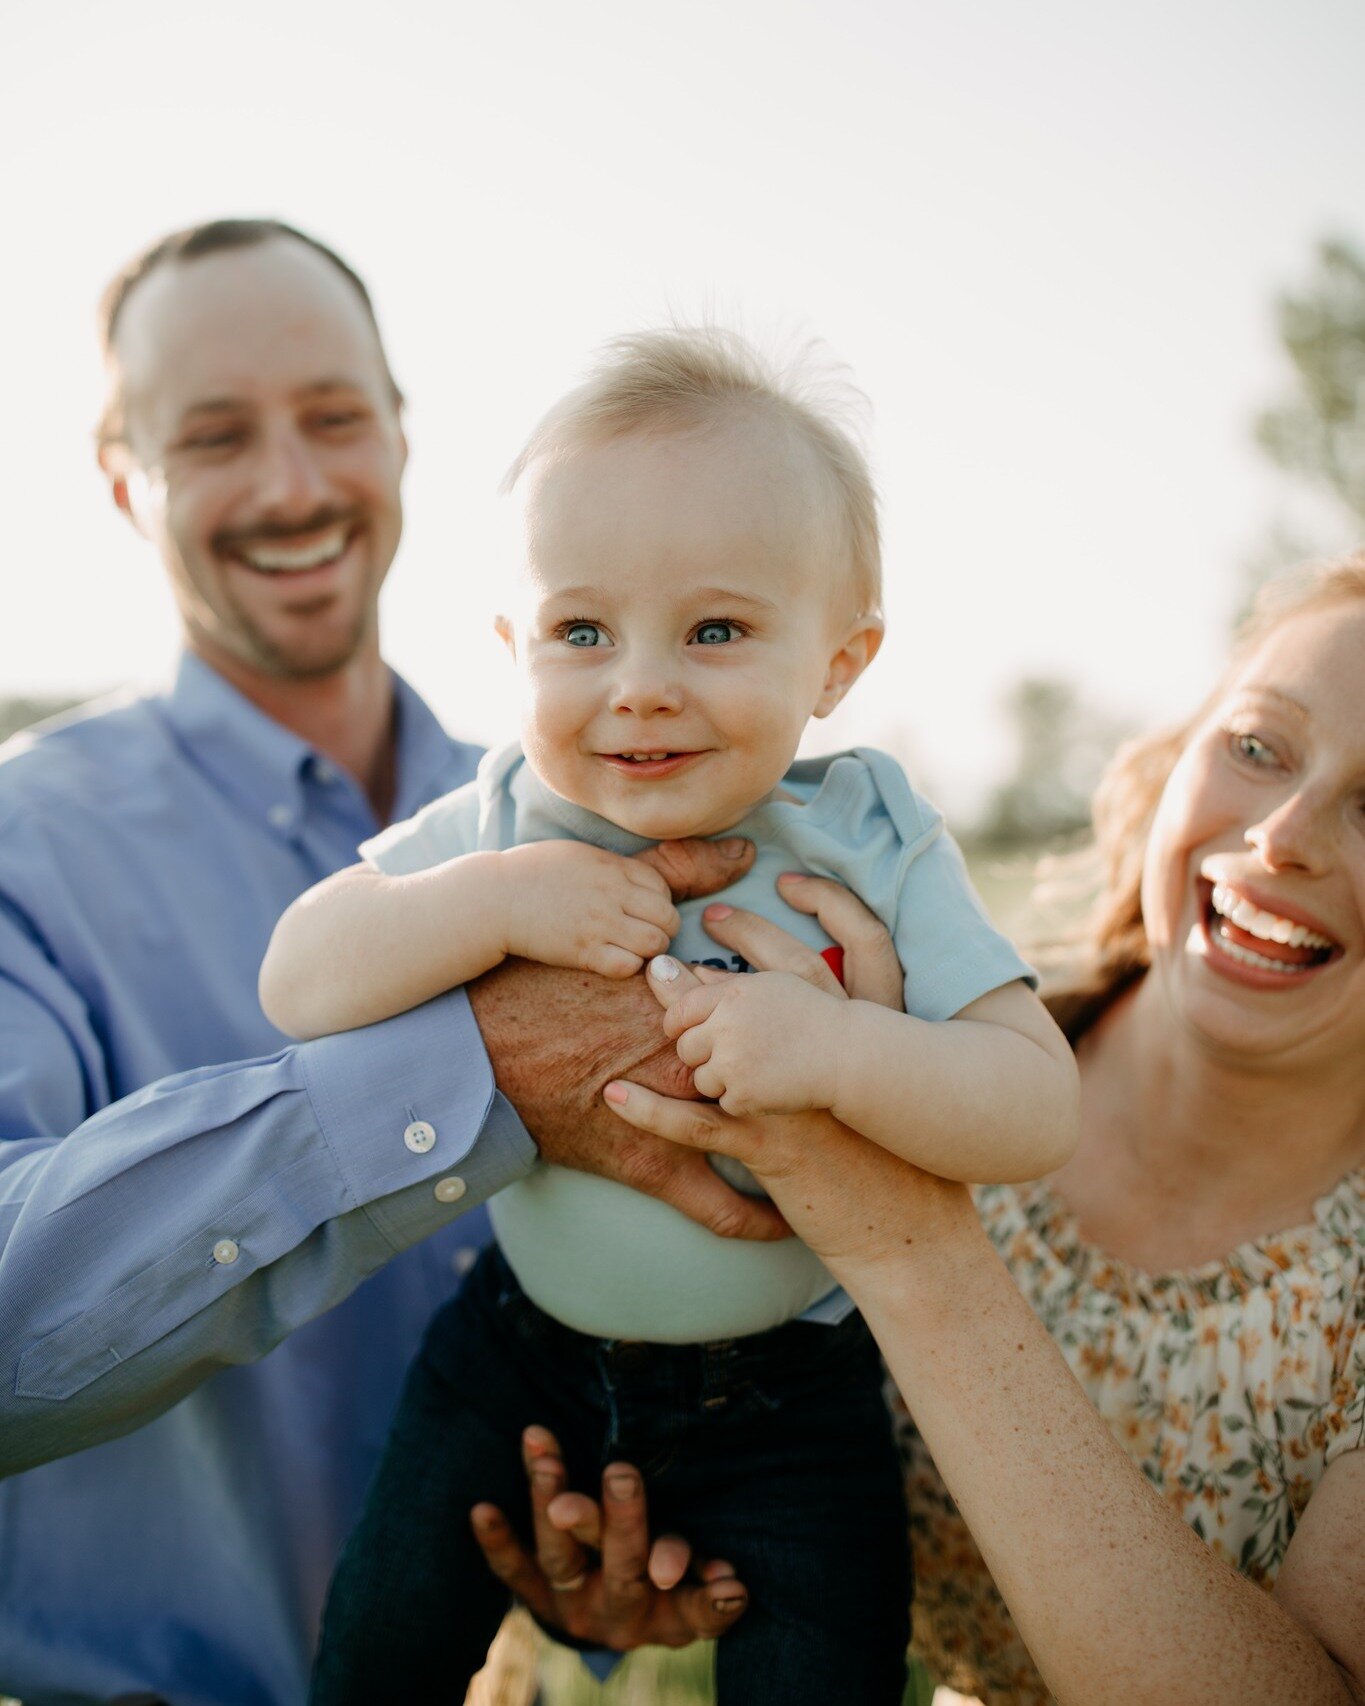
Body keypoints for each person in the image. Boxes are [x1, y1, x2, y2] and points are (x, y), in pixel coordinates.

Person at [0, 220, 786, 1706]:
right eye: (217, 435)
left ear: (403, 436)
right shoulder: (21, 845)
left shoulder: (611, 799)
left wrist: (618, 1549)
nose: (294, 485)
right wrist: (470, 1075)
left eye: (334, 416)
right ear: (124, 481)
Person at [259, 328, 1080, 1703]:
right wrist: (499, 903)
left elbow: (1033, 1103)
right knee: (379, 1645)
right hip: (518, 1353)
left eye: (714, 629)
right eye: (582, 630)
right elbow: (299, 975)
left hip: (793, 1394)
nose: (639, 682)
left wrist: (841, 1048)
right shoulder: (508, 821)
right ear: (513, 645)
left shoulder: (867, 833)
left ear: (837, 661)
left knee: (824, 1667)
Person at [492, 554, 1365, 1704]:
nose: (1285, 834)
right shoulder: (955, 1037)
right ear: (1174, 758)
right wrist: (671, 1542)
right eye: (1259, 746)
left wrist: (901, 1233)